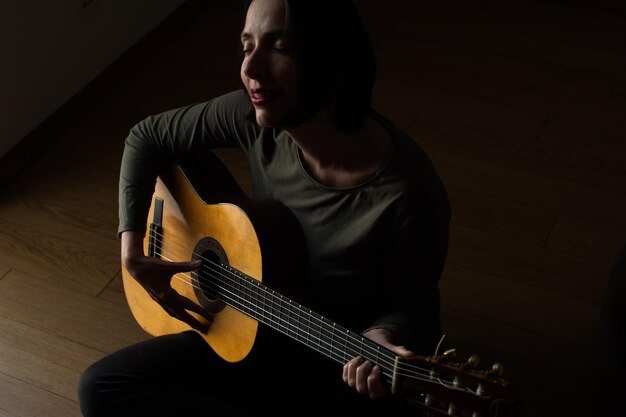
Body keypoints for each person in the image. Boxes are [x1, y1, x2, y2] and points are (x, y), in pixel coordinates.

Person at [78, 0, 451, 415]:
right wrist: (132, 251)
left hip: (332, 356)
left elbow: (416, 310)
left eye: (280, 47)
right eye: (246, 46)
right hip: (250, 318)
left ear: (332, 59)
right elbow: (145, 138)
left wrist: (382, 334)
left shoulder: (410, 193)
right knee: (101, 387)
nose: (251, 69)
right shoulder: (253, 116)